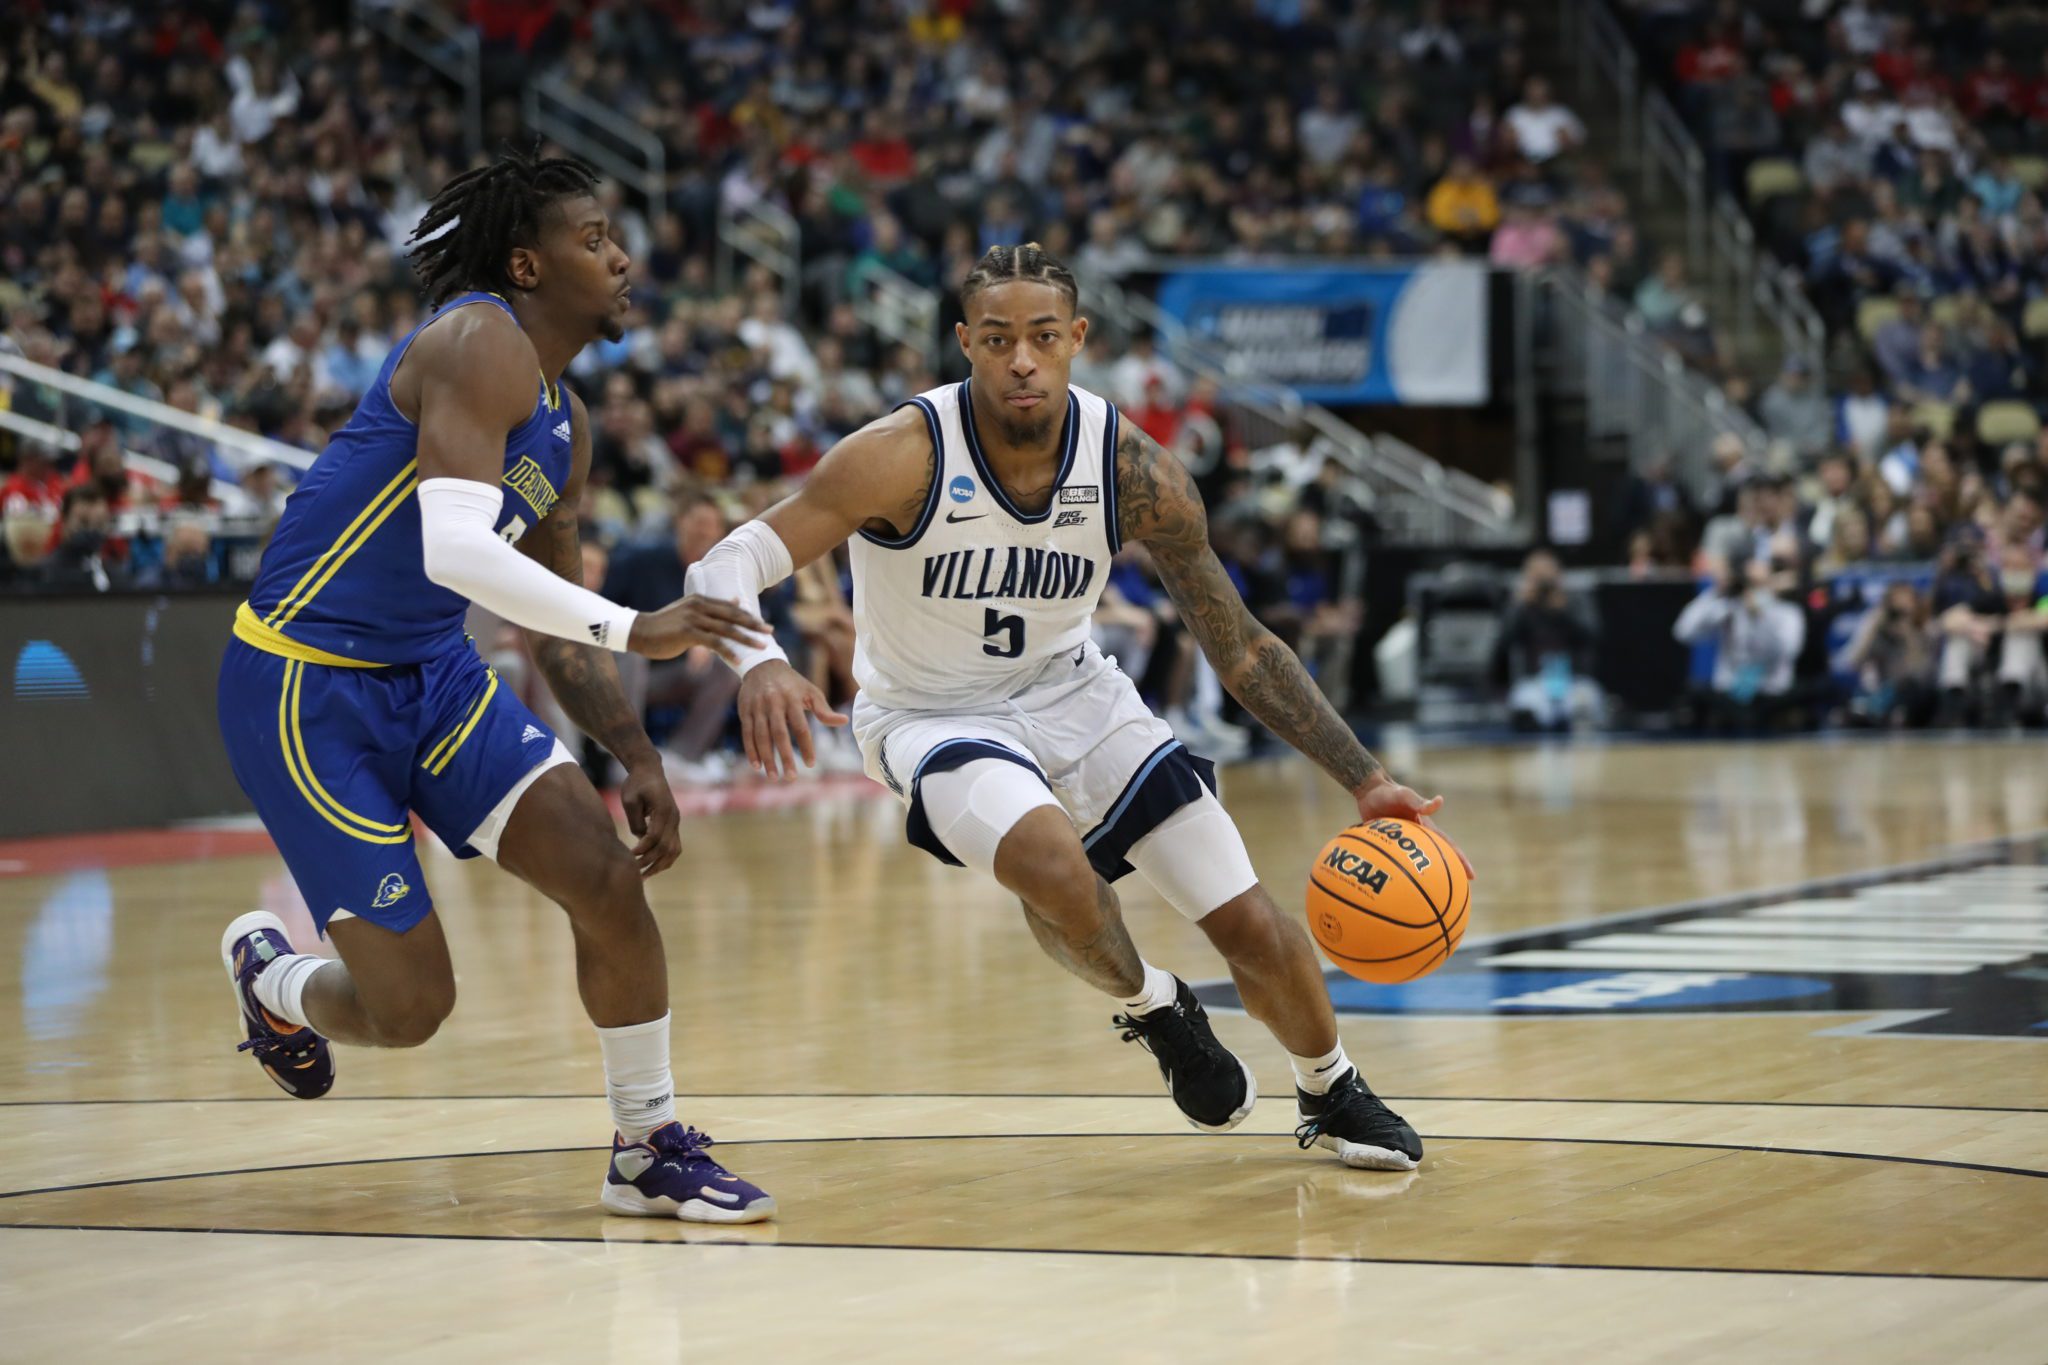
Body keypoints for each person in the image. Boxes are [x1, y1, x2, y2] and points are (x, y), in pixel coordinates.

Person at [687, 244, 1473, 1173]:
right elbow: (726, 562)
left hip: (1076, 691)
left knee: (1251, 924)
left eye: (1043, 338)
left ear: (1078, 340)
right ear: (965, 344)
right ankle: (1156, 1008)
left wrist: (1366, 777)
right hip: (931, 716)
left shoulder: (1135, 469)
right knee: (1054, 863)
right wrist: (759, 659)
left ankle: (1331, 1086)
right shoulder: (902, 455)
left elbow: (1243, 645)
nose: (1022, 359)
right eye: (998, 338)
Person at [211, 149, 777, 1223]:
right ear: (526, 262)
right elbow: (456, 555)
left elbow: (547, 612)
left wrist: (635, 753)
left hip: (432, 673)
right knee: (412, 1008)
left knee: (607, 881)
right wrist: (640, 625)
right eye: (594, 239)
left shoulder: (567, 423)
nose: (621, 258)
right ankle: (275, 982)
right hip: (305, 687)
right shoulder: (477, 340)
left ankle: (646, 1146)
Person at [1673, 554, 1808, 733]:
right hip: (1730, 694)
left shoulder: (1787, 612)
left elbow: (1788, 651)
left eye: (1757, 584)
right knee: (1693, 693)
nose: (1752, 591)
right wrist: (1716, 592)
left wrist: (1762, 616)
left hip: (1770, 693)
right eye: (1749, 584)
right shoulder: (1729, 607)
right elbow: (1683, 632)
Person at [1495, 548, 1601, 731]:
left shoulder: (1575, 600)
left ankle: (1572, 720)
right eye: (1537, 573)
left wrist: (1564, 610)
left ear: (1559, 573)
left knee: (1585, 703)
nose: (1544, 581)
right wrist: (1518, 606)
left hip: (1573, 681)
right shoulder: (1522, 607)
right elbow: (1502, 645)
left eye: (1547, 572)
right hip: (1536, 683)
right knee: (1525, 706)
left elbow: (1593, 636)